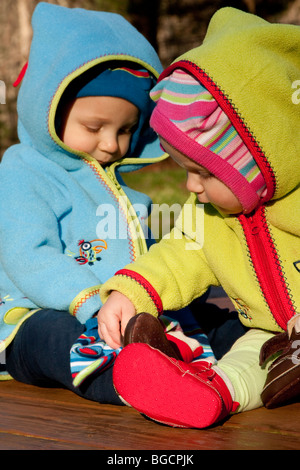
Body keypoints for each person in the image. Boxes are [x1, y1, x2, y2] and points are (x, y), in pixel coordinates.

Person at [98, 7, 300, 427]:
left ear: (259, 163)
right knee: (245, 363)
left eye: (204, 172)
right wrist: (133, 293)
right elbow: (178, 256)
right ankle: (206, 392)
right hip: (270, 335)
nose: (191, 186)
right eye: (185, 171)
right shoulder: (208, 213)